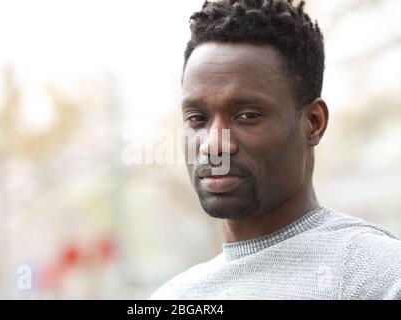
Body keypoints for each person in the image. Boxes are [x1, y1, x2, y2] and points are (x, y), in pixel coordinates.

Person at [150, 0, 401, 300]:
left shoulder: (378, 275)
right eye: (197, 118)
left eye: (247, 115)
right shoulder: (175, 297)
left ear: (313, 122)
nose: (214, 144)